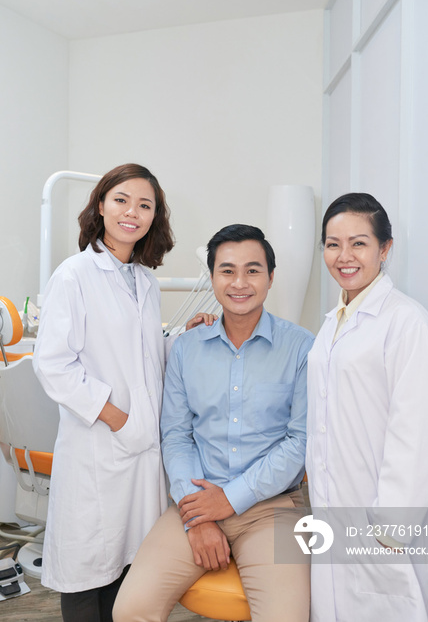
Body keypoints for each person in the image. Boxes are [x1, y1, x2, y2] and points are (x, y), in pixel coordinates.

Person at [33, 163, 214, 622]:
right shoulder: (75, 275)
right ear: (101, 205)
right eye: (121, 200)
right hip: (99, 445)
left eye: (145, 205)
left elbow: (143, 357)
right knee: (85, 567)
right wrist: (116, 417)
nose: (132, 212)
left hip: (140, 452)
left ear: (155, 216)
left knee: (127, 567)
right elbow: (53, 364)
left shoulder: (143, 280)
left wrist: (182, 338)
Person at [113, 224, 315, 622]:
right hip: (195, 501)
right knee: (130, 610)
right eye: (227, 270)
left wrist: (231, 498)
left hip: (273, 508)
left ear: (271, 278)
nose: (240, 282)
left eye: (253, 270)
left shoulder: (303, 348)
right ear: (212, 278)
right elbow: (176, 435)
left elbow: (301, 441)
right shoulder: (187, 349)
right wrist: (197, 515)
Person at [306, 193, 428, 622]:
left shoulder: (408, 324)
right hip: (333, 508)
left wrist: (390, 525)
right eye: (332, 244)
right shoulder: (333, 322)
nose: (344, 256)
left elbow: (418, 432)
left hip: (381, 518)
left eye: (359, 243)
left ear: (385, 249)